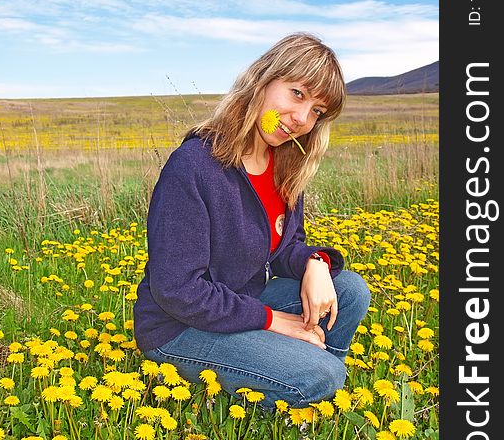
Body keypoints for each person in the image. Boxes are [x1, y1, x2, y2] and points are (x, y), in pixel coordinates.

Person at [133, 32, 370, 409]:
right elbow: (177, 289)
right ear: (263, 78)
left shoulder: (284, 166)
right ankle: (307, 380)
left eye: (317, 112)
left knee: (351, 290)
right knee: (321, 375)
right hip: (179, 326)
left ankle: (307, 374)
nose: (302, 119)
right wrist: (271, 320)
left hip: (240, 300)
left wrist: (315, 262)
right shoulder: (195, 166)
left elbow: (285, 247)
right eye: (297, 94)